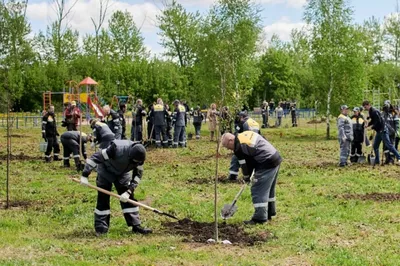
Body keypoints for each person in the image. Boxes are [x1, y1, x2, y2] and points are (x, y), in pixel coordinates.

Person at [80, 140, 152, 235]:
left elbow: (137, 176)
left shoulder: (140, 158)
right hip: (106, 170)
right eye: (134, 161)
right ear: (130, 155)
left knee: (129, 199)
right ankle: (101, 228)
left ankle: (136, 226)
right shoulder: (116, 148)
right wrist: (85, 175)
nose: (135, 163)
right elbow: (96, 157)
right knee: (103, 197)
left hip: (123, 173)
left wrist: (129, 191)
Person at [221, 131, 282, 224]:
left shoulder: (238, 147)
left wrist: (246, 177)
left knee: (258, 189)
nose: (229, 149)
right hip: (275, 157)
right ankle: (270, 212)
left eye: (227, 146)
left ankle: (260, 218)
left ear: (230, 140)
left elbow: (245, 165)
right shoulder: (244, 135)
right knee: (268, 189)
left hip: (266, 162)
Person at [363, 100, 400, 165]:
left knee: (389, 146)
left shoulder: (375, 111)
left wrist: (371, 127)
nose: (365, 108)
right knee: (375, 146)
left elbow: (378, 122)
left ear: (369, 105)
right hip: (378, 132)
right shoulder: (371, 111)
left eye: (365, 107)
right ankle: (377, 161)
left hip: (383, 130)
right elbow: (373, 121)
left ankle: (399, 157)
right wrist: (368, 125)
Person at [228, 112, 260, 180]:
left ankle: (233, 174)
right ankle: (252, 175)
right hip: (255, 143)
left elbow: (236, 134)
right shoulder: (255, 123)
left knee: (236, 157)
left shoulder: (243, 122)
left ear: (241, 117)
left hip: (245, 143)